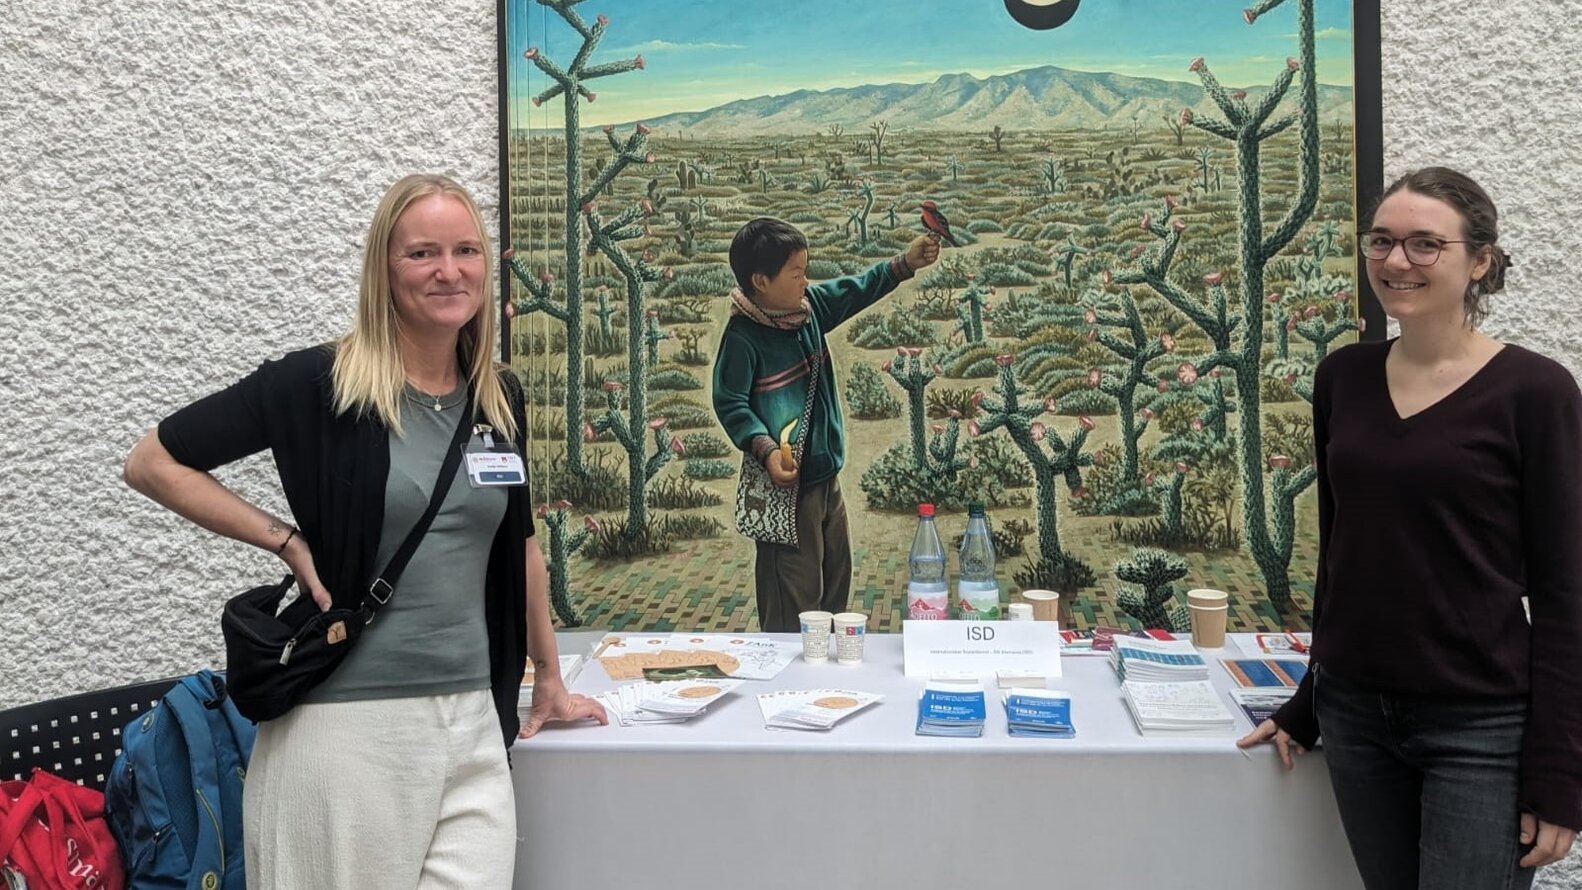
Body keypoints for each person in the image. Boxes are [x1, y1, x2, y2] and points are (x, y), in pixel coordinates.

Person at [123, 173, 606, 889]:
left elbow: (522, 547)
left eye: (466, 250)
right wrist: (284, 540)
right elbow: (153, 462)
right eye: (423, 254)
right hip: (348, 730)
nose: (450, 271)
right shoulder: (321, 386)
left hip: (474, 719)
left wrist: (550, 682)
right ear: (385, 268)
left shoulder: (497, 396)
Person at [1237, 167, 1581, 888]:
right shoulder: (1344, 378)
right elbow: (1344, 555)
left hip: (1480, 725)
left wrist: (1560, 770)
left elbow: (1565, 591)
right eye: (1382, 242)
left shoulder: (1536, 392)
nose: (1397, 262)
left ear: (1479, 260)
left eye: (1427, 245)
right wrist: (1309, 702)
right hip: (1356, 715)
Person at [712, 218, 939, 631]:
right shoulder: (743, 338)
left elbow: (855, 290)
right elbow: (730, 403)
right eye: (796, 273)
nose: (806, 280)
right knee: (793, 602)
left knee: (835, 580)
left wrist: (905, 263)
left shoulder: (808, 309)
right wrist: (764, 448)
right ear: (761, 281)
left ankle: (827, 681)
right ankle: (791, 686)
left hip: (823, 478)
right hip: (786, 488)